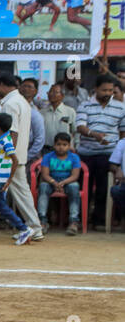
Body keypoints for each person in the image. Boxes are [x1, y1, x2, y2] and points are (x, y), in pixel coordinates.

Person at [0, 73, 43, 239]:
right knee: (18, 192)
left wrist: (7, 155)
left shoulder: (11, 104)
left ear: (1, 85)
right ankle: (35, 227)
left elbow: (11, 132)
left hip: (8, 156)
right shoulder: (22, 102)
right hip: (18, 155)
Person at [74, 74, 125, 231]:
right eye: (104, 90)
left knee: (103, 189)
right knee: (84, 189)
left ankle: (98, 221)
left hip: (108, 154)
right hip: (86, 153)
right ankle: (81, 220)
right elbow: (80, 127)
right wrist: (94, 135)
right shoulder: (85, 105)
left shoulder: (121, 107)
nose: (108, 93)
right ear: (95, 89)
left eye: (110, 90)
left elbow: (123, 133)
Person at [0, 113, 35, 245]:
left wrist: (9, 180)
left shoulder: (5, 141)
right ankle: (24, 228)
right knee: (1, 206)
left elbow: (15, 160)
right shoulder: (0, 140)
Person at [39, 132, 82, 233]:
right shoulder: (48, 157)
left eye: (64, 145)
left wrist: (63, 182)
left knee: (74, 187)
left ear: (69, 146)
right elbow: (45, 175)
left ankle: (73, 222)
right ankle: (42, 221)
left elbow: (75, 176)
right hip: (51, 182)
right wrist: (54, 182)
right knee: (43, 186)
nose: (61, 147)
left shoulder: (74, 157)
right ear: (54, 145)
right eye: (58, 144)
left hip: (67, 182)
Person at [38, 84, 78, 151]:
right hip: (45, 149)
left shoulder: (70, 111)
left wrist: (75, 146)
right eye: (50, 92)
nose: (51, 94)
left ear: (62, 95)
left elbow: (75, 131)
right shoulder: (42, 112)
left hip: (64, 150)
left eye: (55, 92)